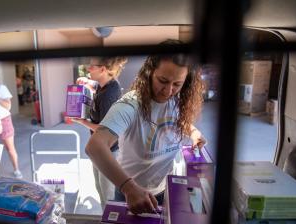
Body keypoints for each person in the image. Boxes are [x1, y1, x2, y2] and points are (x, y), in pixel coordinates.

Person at [85, 40, 207, 214]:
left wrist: (193, 132)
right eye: (162, 81)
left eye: (177, 84)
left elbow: (176, 120)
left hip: (165, 189)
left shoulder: (175, 100)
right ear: (149, 72)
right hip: (133, 194)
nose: (168, 91)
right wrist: (129, 188)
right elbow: (94, 147)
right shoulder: (130, 105)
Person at [72, 56, 128, 208]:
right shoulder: (106, 85)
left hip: (108, 152)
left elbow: (105, 129)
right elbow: (97, 86)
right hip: (100, 149)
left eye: (91, 67)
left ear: (102, 69)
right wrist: (88, 82)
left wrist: (82, 122)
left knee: (108, 196)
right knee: (100, 188)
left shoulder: (109, 95)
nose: (88, 69)